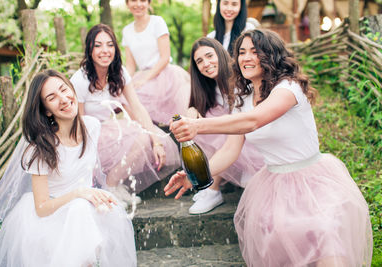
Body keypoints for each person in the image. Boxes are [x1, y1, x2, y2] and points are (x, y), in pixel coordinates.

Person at [165, 29, 372, 266]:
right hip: (274, 184)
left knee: (323, 235)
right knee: (280, 244)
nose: (246, 57)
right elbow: (231, 150)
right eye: (241, 52)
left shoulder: (288, 88)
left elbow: (254, 121)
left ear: (271, 55)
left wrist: (198, 126)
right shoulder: (243, 98)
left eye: (255, 51)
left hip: (312, 181)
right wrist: (197, 176)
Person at [0, 69, 137, 266]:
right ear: (47, 110)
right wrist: (79, 193)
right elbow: (41, 208)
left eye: (64, 90)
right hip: (52, 215)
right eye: (52, 98)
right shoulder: (39, 149)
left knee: (94, 213)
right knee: (79, 211)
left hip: (84, 208)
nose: (63, 99)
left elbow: (88, 169)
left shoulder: (91, 126)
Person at [70, 24, 180, 206]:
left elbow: (137, 108)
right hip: (87, 133)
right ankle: (106, 188)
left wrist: (157, 141)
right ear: (89, 49)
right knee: (129, 135)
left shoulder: (119, 72)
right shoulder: (80, 79)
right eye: (98, 45)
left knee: (145, 137)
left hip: (107, 129)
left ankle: (111, 185)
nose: (105, 50)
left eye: (109, 44)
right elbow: (78, 123)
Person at [185, 37, 264, 215]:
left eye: (209, 56)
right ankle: (211, 185)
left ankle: (213, 189)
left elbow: (241, 122)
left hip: (250, 142)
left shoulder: (240, 79)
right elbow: (198, 108)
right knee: (202, 119)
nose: (206, 63)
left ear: (220, 54)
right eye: (200, 61)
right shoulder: (209, 87)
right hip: (234, 142)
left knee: (219, 131)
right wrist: (191, 109)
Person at [122, 0, 191, 125]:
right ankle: (150, 138)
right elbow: (130, 65)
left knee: (180, 116)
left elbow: (165, 57)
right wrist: (126, 82)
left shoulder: (157, 22)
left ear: (149, 3)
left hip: (164, 73)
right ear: (127, 4)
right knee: (127, 99)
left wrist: (145, 79)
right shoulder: (126, 31)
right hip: (142, 74)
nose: (138, 4)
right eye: (133, 0)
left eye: (143, 0)